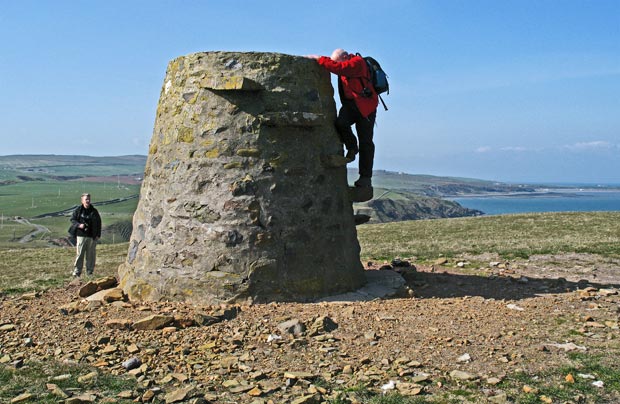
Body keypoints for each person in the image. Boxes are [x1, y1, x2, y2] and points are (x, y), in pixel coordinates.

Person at [308, 49, 379, 187]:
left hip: (366, 108)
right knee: (341, 123)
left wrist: (319, 59)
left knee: (366, 142)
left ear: (346, 57)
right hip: (352, 105)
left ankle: (365, 178)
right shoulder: (345, 64)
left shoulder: (357, 63)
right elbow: (338, 67)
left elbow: (339, 68)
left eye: (337, 61)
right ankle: (352, 147)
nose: (335, 64)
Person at [70, 192, 102, 277]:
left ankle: (89, 272)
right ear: (82, 201)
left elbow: (99, 223)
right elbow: (72, 219)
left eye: (89, 199)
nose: (88, 201)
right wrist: (79, 225)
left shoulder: (94, 211)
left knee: (91, 255)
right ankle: (77, 272)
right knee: (80, 254)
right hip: (81, 235)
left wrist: (98, 234)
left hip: (92, 236)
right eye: (86, 199)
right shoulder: (78, 210)